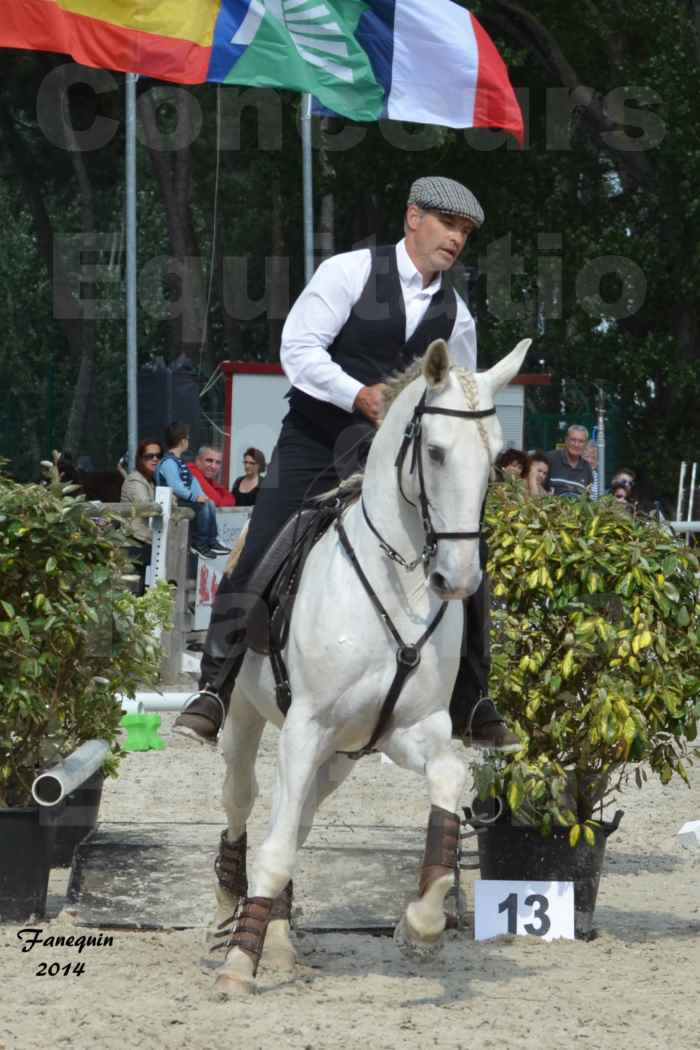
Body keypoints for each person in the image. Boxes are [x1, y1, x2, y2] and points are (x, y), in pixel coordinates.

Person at [174, 175, 517, 753]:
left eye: (465, 232)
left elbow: (455, 394)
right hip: (317, 438)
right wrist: (359, 394)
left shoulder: (457, 315)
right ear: (414, 217)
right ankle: (213, 686)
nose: (456, 239)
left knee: (465, 549)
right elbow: (299, 350)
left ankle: (474, 699)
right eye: (448, 224)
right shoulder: (349, 272)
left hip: (398, 459)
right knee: (262, 544)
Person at [155, 422, 230, 559]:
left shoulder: (178, 461)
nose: (188, 441)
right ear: (182, 440)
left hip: (182, 500)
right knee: (204, 506)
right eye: (188, 438)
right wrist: (194, 497)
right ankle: (199, 543)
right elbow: (176, 486)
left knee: (209, 503)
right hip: (171, 502)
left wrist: (201, 495)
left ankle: (212, 540)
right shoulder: (168, 462)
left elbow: (192, 482)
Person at [120, 439, 163, 589]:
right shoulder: (135, 480)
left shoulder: (151, 481)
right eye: (149, 456)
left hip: (147, 543)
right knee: (133, 593)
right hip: (134, 544)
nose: (155, 459)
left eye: (158, 455)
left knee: (147, 591)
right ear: (140, 459)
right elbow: (147, 507)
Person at [546, 425, 594, 497]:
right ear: (566, 440)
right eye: (573, 440)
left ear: (585, 444)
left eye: (581, 441)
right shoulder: (550, 458)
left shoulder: (587, 468)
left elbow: (587, 498)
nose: (576, 445)